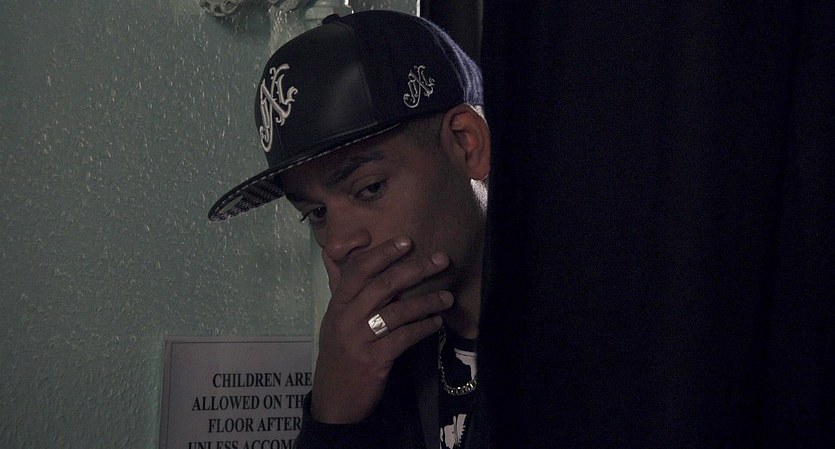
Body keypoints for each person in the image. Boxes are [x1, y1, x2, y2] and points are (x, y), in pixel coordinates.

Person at [208, 10, 490, 449]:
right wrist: (333, 421)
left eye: (369, 188)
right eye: (316, 213)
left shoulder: (590, 338)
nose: (338, 244)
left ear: (466, 143)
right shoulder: (380, 366)